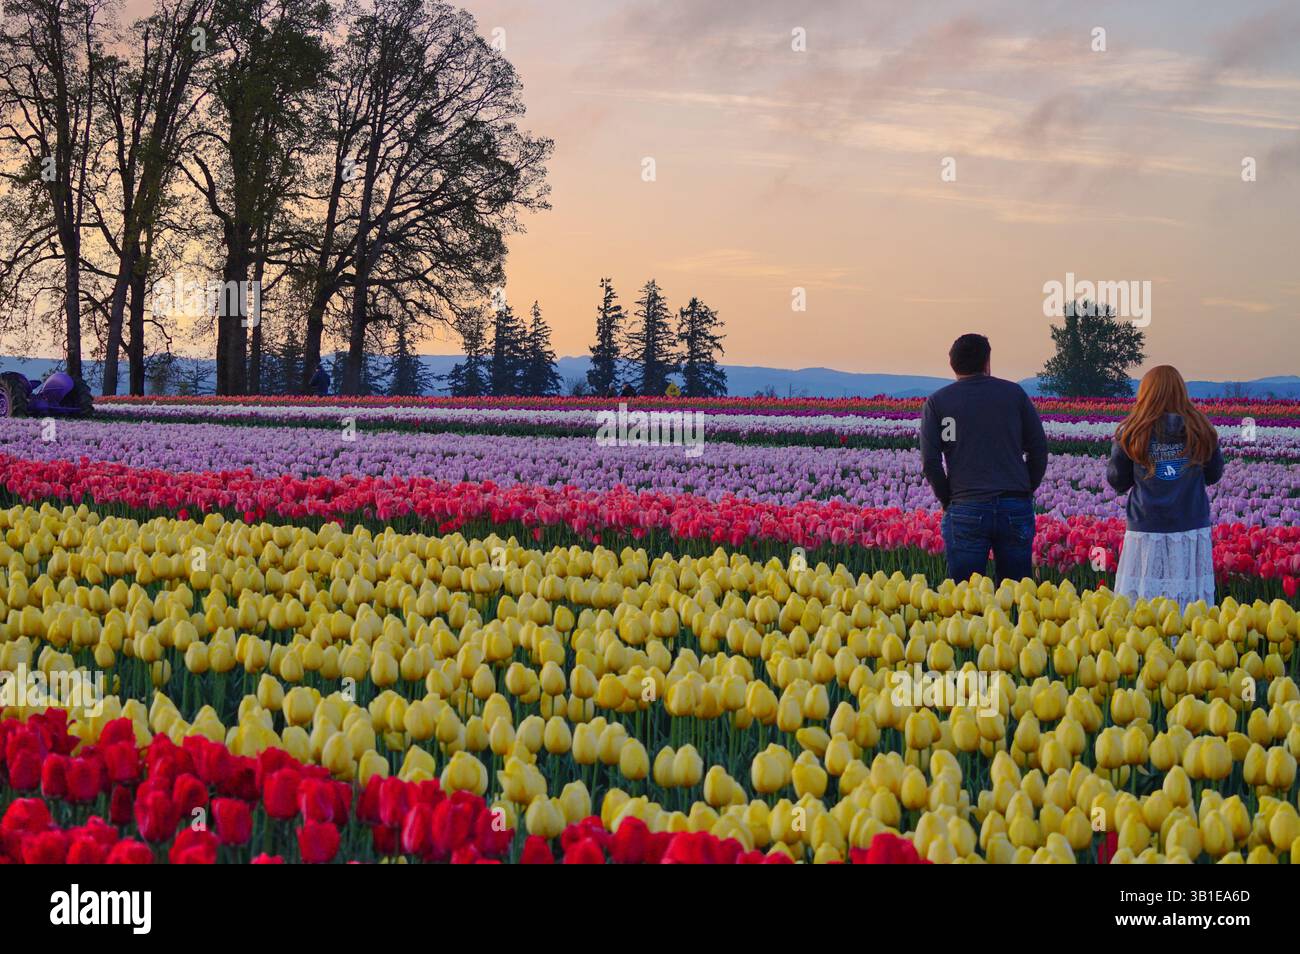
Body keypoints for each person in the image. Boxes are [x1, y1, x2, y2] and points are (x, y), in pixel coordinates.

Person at [920, 333, 1048, 584]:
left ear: (952, 365)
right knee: (1016, 593)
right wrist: (1024, 488)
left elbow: (931, 461)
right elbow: (1038, 449)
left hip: (966, 505)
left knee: (966, 598)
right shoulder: (1014, 395)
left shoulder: (938, 402)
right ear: (987, 362)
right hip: (1014, 504)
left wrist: (948, 499)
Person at [1106, 365, 1223, 607]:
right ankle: (1186, 641)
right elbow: (1213, 474)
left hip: (1146, 526)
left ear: (1145, 394)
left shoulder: (1132, 431)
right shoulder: (1200, 430)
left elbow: (1117, 480)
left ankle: (1145, 641)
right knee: (1187, 599)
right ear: (1181, 393)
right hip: (1189, 525)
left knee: (1144, 598)